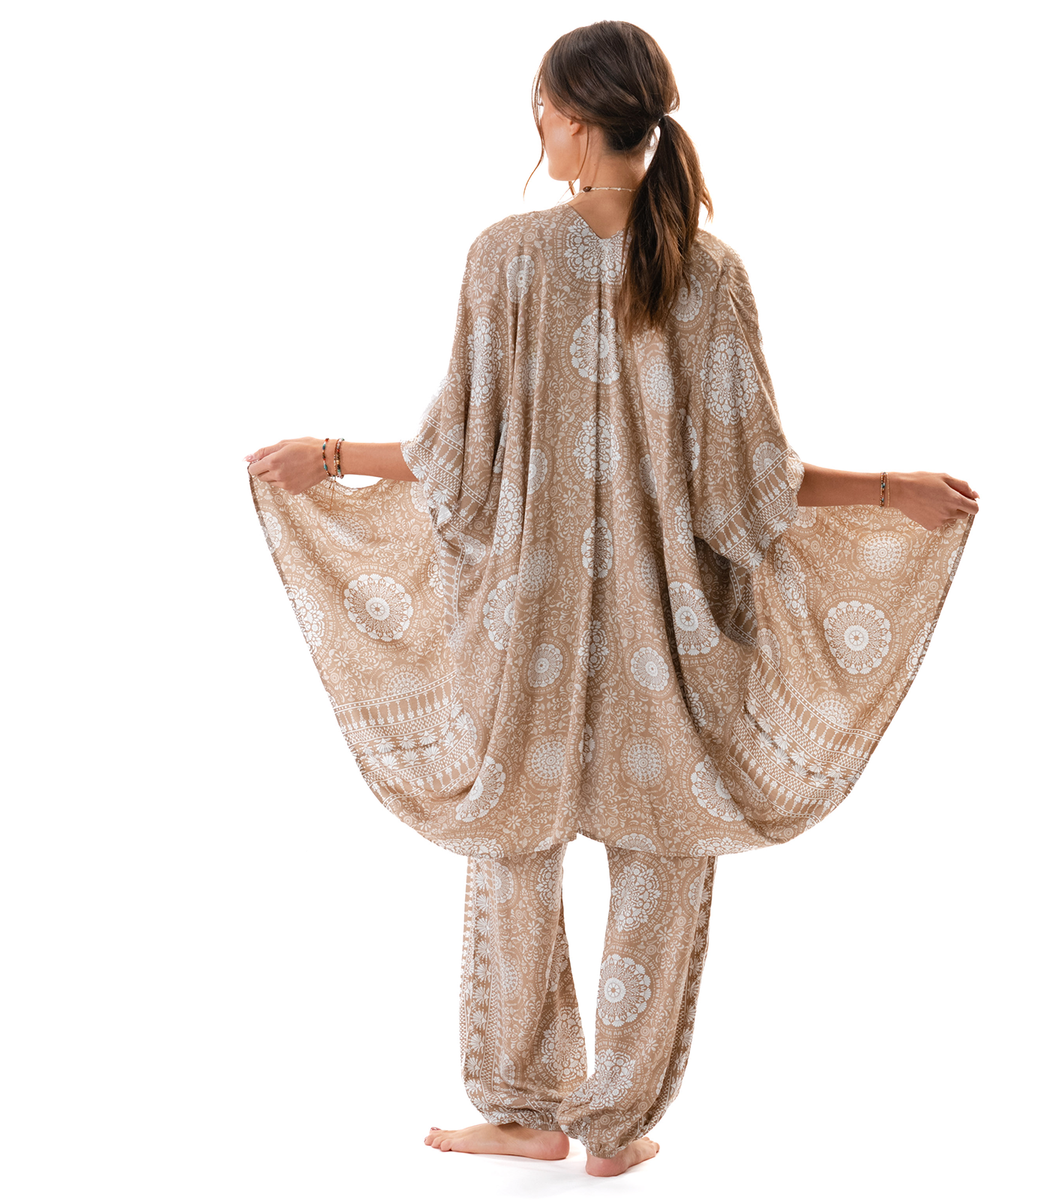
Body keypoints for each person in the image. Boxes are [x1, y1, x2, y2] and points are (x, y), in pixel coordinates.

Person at [245, 20, 978, 1178]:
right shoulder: (708, 270)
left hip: (524, 623)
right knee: (661, 849)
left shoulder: (507, 259)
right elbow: (752, 487)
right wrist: (896, 490)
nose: (536, 127)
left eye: (542, 108)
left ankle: (529, 1109)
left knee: (514, 839)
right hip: (670, 633)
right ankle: (612, 1127)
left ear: (580, 121)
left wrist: (328, 456)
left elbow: (458, 465)